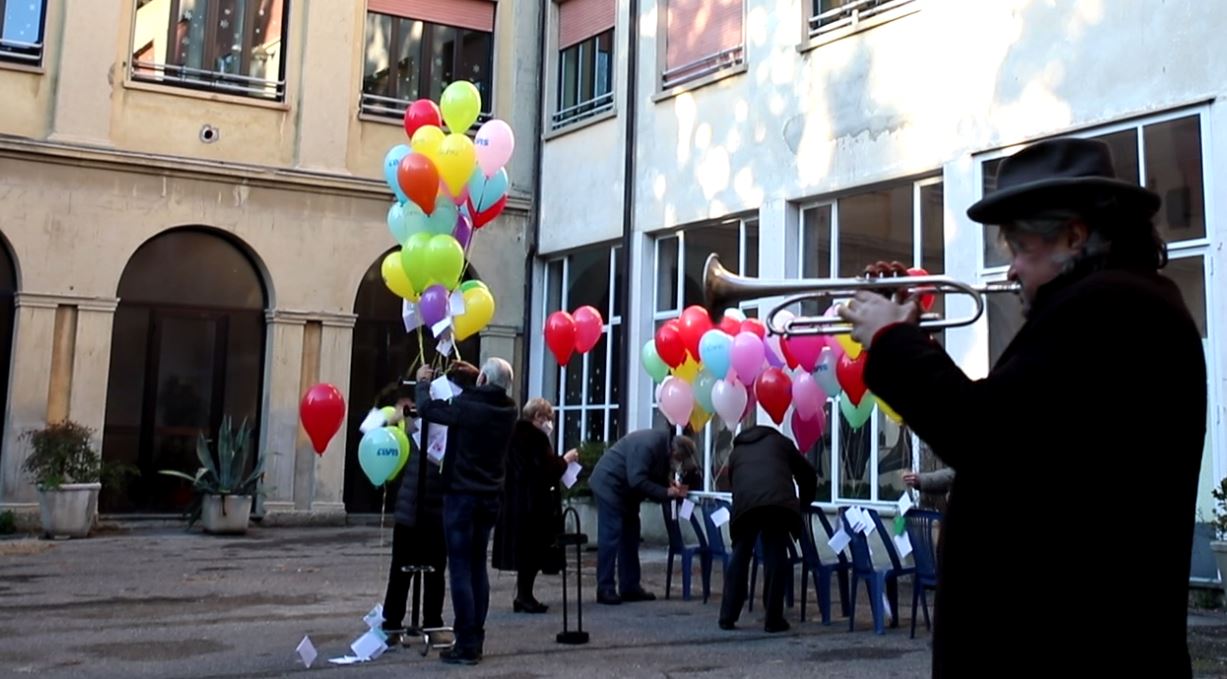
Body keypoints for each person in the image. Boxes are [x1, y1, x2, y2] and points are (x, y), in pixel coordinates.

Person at [837, 138, 1205, 678]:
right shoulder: (1117, 304)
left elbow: (983, 434)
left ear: (1073, 238)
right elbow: (1023, 431)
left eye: (1018, 249)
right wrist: (912, 340)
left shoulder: (1109, 308)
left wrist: (893, 343)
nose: (1010, 271)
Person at [415, 358, 518, 666]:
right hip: (490, 497)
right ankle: (476, 636)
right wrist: (479, 377)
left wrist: (422, 383)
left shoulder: (468, 406)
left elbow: (428, 410)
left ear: (484, 379)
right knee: (476, 567)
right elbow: (482, 394)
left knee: (459, 567)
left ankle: (467, 644)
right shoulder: (508, 409)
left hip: (461, 495)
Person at [718, 425, 817, 633]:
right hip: (777, 505)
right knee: (775, 556)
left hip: (745, 506)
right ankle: (773, 619)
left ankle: (727, 615)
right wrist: (804, 502)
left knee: (740, 555)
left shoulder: (736, 452)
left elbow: (733, 484)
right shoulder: (781, 443)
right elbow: (807, 473)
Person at [587, 428, 696, 605]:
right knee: (611, 536)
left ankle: (630, 586)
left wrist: (667, 485)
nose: (678, 465)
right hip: (609, 485)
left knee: (631, 535)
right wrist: (666, 492)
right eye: (679, 461)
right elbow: (637, 479)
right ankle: (605, 587)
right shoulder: (648, 445)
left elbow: (650, 474)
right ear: (675, 452)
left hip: (625, 491)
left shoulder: (662, 447)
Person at [377, 378, 449, 646]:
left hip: (427, 508)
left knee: (430, 571)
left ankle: (417, 622)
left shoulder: (433, 427)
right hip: (417, 507)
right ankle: (397, 622)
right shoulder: (408, 428)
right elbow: (374, 429)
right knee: (405, 570)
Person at [492, 398, 579, 613]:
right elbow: (546, 470)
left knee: (526, 554)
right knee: (531, 554)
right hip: (532, 505)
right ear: (537, 417)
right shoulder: (535, 438)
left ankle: (524, 595)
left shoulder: (514, 435)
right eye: (547, 418)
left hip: (515, 501)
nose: (549, 423)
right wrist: (565, 460)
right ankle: (525, 596)